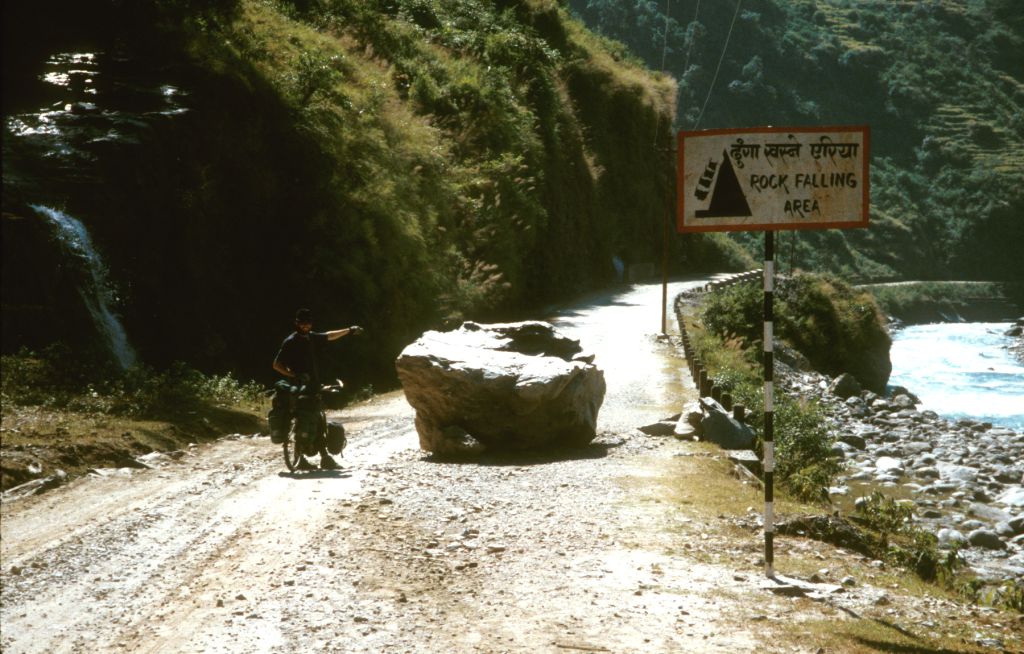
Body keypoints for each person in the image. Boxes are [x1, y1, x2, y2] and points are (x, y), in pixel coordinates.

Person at [270, 308, 362, 470]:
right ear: (297, 323)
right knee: (316, 419)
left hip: (311, 385)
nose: (306, 327)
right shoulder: (291, 341)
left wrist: (348, 331)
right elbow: (276, 365)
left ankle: (306, 458)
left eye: (308, 324)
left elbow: (329, 335)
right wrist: (294, 375)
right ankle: (323, 458)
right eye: (303, 324)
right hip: (299, 388)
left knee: (311, 418)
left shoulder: (311, 338)